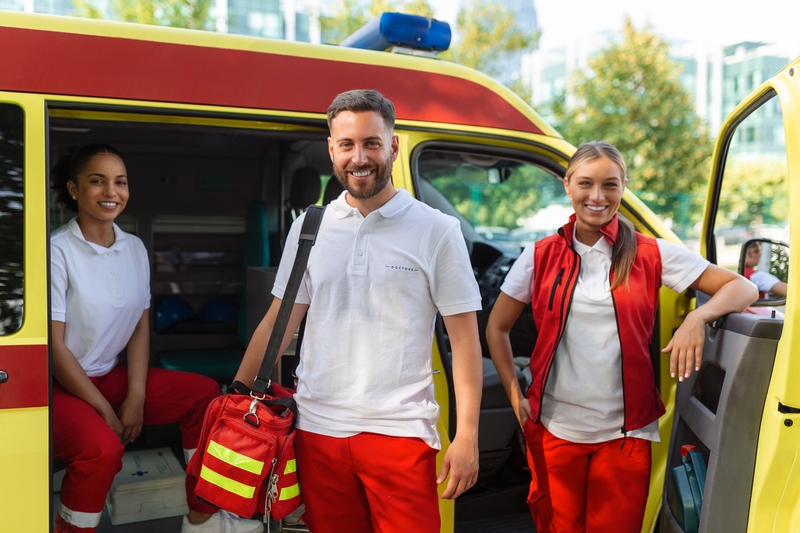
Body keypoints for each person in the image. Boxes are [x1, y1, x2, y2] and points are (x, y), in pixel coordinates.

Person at [233, 89, 483, 533]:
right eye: (347, 145)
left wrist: (466, 436)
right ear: (332, 149)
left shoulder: (437, 231)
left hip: (401, 434)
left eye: (371, 143)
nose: (359, 157)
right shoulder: (309, 227)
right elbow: (277, 323)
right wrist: (235, 399)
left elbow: (464, 341)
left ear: (392, 146)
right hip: (318, 432)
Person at [486, 141, 758, 533]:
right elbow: (497, 327)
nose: (597, 197)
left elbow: (741, 288)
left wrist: (698, 316)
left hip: (626, 437)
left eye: (610, 185)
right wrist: (514, 393)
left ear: (624, 187)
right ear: (567, 185)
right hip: (555, 430)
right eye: (585, 183)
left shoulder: (651, 253)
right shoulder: (539, 254)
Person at [50, 143, 263, 533]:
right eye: (97, 182)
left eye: (120, 182)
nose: (111, 192)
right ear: (74, 189)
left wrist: (136, 396)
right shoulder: (57, 251)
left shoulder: (133, 248)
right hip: (61, 387)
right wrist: (107, 411)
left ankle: (202, 512)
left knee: (204, 396)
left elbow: (139, 327)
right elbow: (55, 349)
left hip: (108, 376)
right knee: (103, 451)